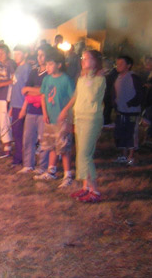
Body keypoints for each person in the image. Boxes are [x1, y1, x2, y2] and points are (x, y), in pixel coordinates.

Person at [59, 49, 106, 203]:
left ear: (95, 61)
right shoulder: (81, 78)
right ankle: (86, 187)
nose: (83, 61)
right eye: (83, 58)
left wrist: (91, 77)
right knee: (81, 153)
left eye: (87, 58)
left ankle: (95, 190)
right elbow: (76, 97)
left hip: (91, 119)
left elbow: (92, 96)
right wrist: (66, 111)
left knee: (85, 155)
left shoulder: (99, 79)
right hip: (79, 117)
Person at [34, 49, 75, 187]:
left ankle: (67, 174)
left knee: (63, 147)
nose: (47, 68)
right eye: (46, 65)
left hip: (62, 120)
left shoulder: (65, 79)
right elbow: (43, 96)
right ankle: (51, 171)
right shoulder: (47, 79)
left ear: (59, 65)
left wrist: (65, 110)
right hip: (50, 118)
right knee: (51, 145)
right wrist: (45, 113)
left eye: (50, 64)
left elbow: (74, 96)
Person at [17, 45, 51, 174]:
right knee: (28, 138)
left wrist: (35, 91)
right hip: (31, 110)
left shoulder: (49, 74)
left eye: (42, 55)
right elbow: (25, 90)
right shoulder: (33, 72)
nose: (40, 58)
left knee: (44, 140)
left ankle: (42, 166)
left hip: (44, 112)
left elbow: (45, 92)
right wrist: (24, 109)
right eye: (38, 55)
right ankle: (28, 164)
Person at [113, 55, 144, 165]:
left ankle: (131, 157)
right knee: (122, 133)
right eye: (117, 63)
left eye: (121, 64)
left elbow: (140, 94)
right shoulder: (118, 77)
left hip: (131, 111)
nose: (118, 66)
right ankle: (124, 155)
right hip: (121, 111)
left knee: (131, 134)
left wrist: (129, 103)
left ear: (128, 66)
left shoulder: (134, 77)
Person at [9, 45, 31, 167]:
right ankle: (18, 156)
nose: (16, 56)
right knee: (16, 132)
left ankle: (20, 158)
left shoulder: (26, 68)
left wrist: (24, 107)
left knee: (20, 133)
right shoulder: (19, 68)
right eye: (15, 54)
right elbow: (15, 88)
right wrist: (12, 106)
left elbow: (27, 89)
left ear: (25, 54)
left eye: (18, 54)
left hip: (22, 105)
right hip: (16, 104)